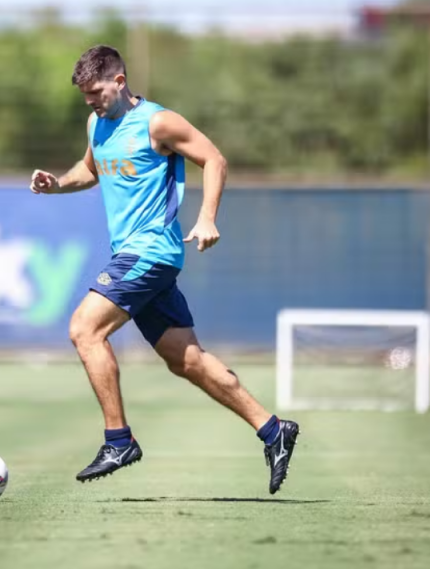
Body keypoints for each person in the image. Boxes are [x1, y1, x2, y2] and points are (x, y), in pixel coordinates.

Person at [30, 45, 299, 494]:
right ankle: (274, 430)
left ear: (119, 81)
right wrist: (57, 184)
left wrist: (207, 217)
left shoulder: (158, 122)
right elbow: (90, 169)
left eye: (96, 92)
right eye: (85, 95)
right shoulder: (97, 122)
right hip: (136, 255)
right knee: (185, 360)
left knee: (84, 330)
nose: (90, 101)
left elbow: (214, 159)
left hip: (150, 251)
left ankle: (119, 441)